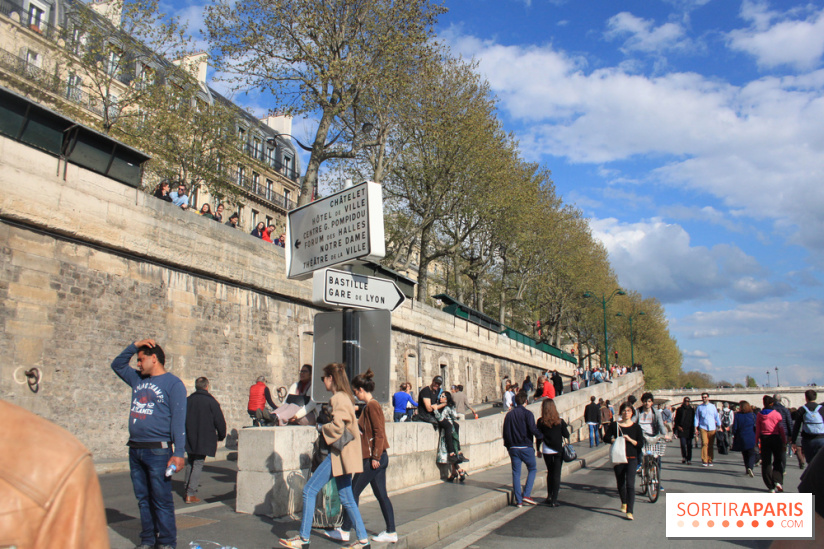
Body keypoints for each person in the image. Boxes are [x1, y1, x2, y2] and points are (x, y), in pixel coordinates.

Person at [280, 363, 368, 549]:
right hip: (344, 454)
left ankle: (304, 539)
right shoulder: (347, 397)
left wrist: (321, 427)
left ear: (331, 379)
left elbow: (338, 427)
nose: (323, 382)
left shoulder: (338, 398)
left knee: (309, 490)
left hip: (338, 454)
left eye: (323, 378)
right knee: (347, 498)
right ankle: (363, 540)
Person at [1, 399, 110, 548]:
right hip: (137, 448)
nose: (137, 372)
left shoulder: (62, 463)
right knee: (143, 498)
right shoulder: (61, 462)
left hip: (150, 449)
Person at [111, 339, 186, 549]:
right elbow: (117, 365)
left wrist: (178, 452)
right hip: (135, 449)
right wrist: (135, 346)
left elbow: (178, 420)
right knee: (143, 500)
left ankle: (167, 542)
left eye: (141, 359)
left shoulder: (174, 384)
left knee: (161, 500)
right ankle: (147, 540)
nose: (137, 364)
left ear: (154, 359)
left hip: (158, 451)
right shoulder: (137, 380)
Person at [330, 369, 397, 544]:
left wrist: (375, 457)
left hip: (373, 459)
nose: (355, 394)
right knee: (381, 494)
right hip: (378, 457)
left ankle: (345, 530)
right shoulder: (370, 406)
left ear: (360, 389)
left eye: (355, 391)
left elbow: (379, 432)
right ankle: (391, 531)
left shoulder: (373, 406)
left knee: (352, 492)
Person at [183, 377, 227, 504]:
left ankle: (187, 487)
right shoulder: (211, 402)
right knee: (198, 463)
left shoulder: (188, 400)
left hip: (190, 435)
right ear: (207, 386)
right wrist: (221, 435)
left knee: (191, 461)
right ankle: (191, 493)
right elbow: (220, 421)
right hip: (204, 437)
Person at [603, 402, 645, 521]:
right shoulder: (615, 425)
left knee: (630, 484)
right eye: (624, 411)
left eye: (628, 411)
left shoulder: (636, 427)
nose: (626, 413)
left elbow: (640, 444)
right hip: (619, 457)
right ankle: (624, 501)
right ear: (621, 412)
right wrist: (613, 440)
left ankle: (630, 511)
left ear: (632, 413)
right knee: (621, 482)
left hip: (632, 458)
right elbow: (605, 437)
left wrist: (630, 440)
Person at [502, 392, 543, 507]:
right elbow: (532, 429)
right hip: (525, 446)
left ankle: (518, 500)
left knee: (516, 473)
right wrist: (541, 436)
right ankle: (526, 494)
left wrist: (508, 447)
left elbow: (505, 432)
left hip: (513, 447)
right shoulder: (528, 414)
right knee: (532, 468)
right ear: (526, 401)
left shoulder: (509, 415)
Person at [536, 398, 570, 507]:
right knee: (556, 474)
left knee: (550, 472)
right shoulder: (559, 421)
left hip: (547, 450)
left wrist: (538, 449)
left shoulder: (541, 422)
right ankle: (554, 499)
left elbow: (538, 437)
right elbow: (566, 434)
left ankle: (549, 495)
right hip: (558, 450)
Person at [418, 376, 460, 463]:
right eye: (436, 383)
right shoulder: (426, 391)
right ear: (432, 381)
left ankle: (458, 451)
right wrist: (444, 404)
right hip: (426, 416)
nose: (437, 385)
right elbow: (429, 409)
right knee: (448, 425)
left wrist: (440, 405)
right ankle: (452, 453)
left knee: (455, 425)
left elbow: (436, 405)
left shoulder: (437, 391)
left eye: (439, 384)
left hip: (434, 415)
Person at [637, 392, 670, 490]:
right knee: (639, 452)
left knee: (657, 459)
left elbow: (660, 425)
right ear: (642, 402)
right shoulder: (638, 412)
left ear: (652, 403)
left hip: (653, 436)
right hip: (641, 436)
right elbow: (633, 422)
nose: (647, 403)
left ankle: (657, 482)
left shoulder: (656, 413)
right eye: (645, 401)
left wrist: (664, 435)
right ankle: (640, 466)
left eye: (649, 401)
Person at [757, 395, 787, 493]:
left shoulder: (760, 415)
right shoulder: (777, 414)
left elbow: (758, 429)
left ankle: (770, 486)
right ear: (772, 403)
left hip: (765, 439)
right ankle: (777, 480)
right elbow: (781, 428)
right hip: (776, 438)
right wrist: (784, 440)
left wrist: (756, 440)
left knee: (766, 463)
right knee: (778, 460)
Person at [436, 392, 468, 481]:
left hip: (448, 432)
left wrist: (435, 410)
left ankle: (458, 471)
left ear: (447, 398)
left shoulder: (446, 408)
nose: (440, 398)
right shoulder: (448, 406)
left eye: (443, 396)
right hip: (451, 430)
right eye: (440, 396)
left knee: (450, 453)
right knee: (452, 454)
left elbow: (441, 417)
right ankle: (456, 472)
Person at [792, 389, 824, 463]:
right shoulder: (821, 409)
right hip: (821, 438)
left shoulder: (802, 409)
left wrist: (794, 441)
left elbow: (797, 426)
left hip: (808, 440)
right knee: (821, 462)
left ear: (806, 398)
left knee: (810, 462)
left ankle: (813, 474)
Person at [694, 392, 721, 466]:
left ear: (708, 398)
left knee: (711, 444)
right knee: (704, 443)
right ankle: (704, 459)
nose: (704, 398)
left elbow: (716, 416)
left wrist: (719, 425)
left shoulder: (712, 407)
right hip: (703, 427)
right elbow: (696, 418)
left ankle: (710, 459)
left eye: (705, 397)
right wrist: (695, 428)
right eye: (703, 397)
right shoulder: (699, 407)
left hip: (712, 427)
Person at [732, 400, 757, 477]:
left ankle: (747, 468)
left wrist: (734, 434)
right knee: (752, 453)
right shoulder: (753, 415)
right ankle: (750, 467)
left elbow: (735, 427)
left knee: (745, 453)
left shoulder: (737, 415)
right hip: (751, 436)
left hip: (741, 436)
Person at [674, 397, 695, 464]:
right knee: (683, 444)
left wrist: (695, 429)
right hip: (682, 429)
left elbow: (694, 420)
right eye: (685, 401)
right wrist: (677, 427)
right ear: (683, 402)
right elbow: (676, 419)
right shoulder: (679, 409)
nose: (686, 402)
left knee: (689, 445)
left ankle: (689, 459)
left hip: (689, 429)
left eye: (688, 401)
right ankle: (684, 457)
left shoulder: (691, 410)